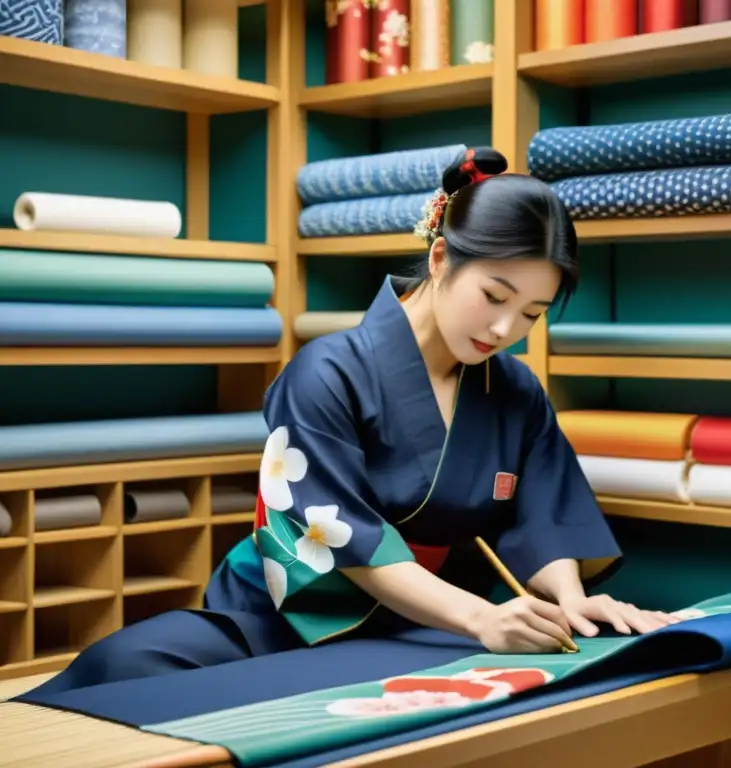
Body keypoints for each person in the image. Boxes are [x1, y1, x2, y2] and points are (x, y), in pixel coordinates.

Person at [31, 147, 677, 695]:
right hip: (292, 615)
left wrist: (569, 602)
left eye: (532, 314)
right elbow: (344, 542)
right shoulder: (326, 374)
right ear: (440, 261)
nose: (506, 330)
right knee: (122, 669)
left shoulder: (514, 391)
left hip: (428, 622)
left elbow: (543, 511)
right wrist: (482, 619)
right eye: (494, 297)